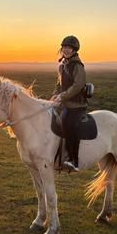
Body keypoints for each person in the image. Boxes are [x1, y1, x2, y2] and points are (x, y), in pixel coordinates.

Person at [50, 35, 88, 172]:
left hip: (76, 106)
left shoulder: (77, 66)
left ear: (74, 50)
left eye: (69, 48)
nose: (66, 50)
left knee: (68, 125)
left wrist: (63, 96)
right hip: (65, 104)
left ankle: (74, 161)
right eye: (64, 47)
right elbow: (59, 84)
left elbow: (78, 85)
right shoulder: (62, 66)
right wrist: (55, 95)